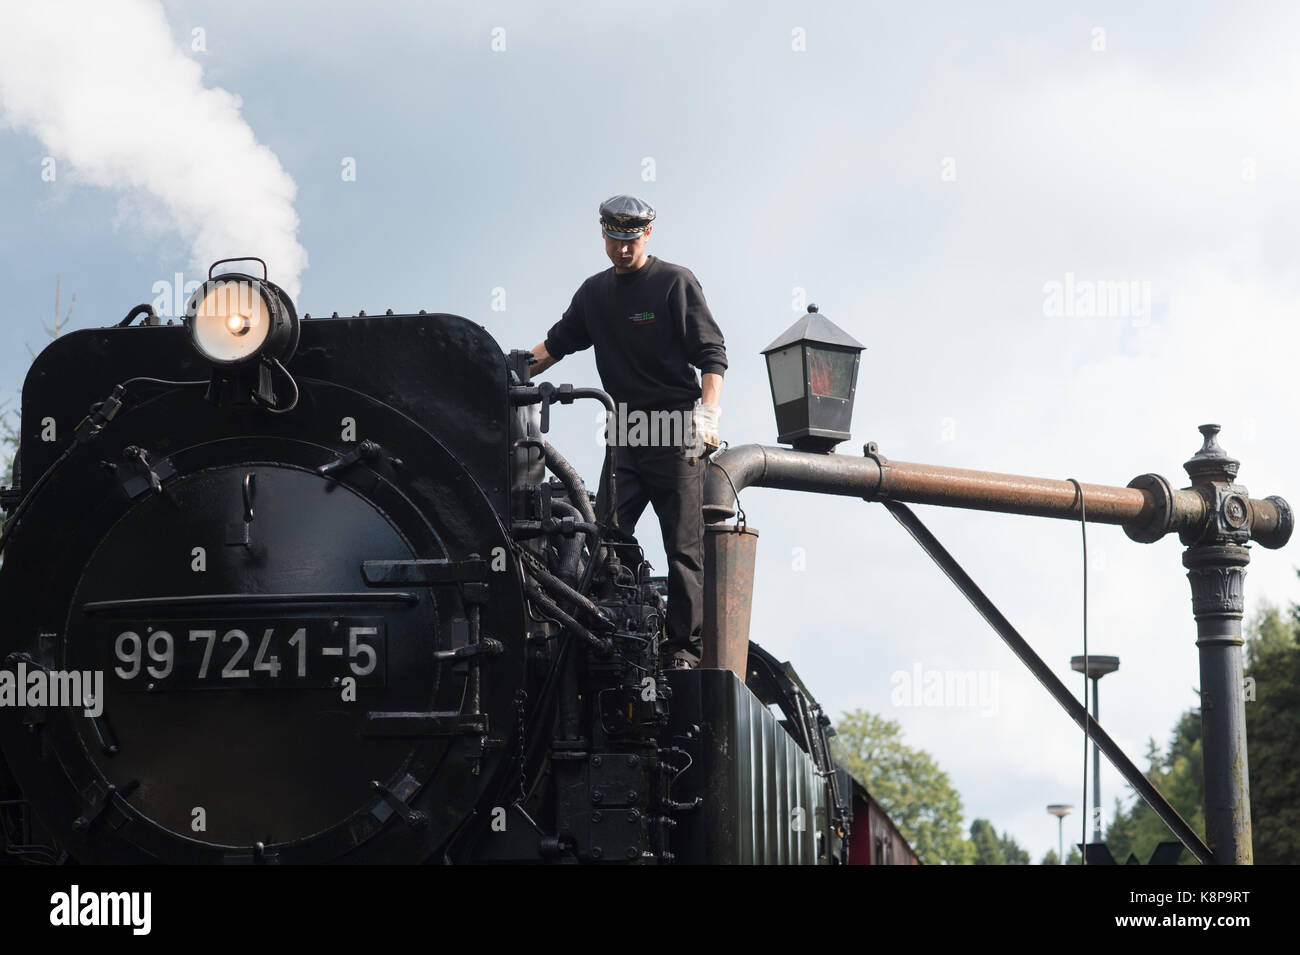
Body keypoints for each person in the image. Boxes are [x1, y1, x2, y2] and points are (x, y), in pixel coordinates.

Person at [528, 194, 726, 663]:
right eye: (615, 239)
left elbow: (711, 355)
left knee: (683, 546)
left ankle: (685, 651)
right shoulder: (594, 294)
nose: (623, 248)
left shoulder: (675, 283)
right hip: (627, 430)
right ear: (603, 235)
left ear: (648, 234)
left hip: (678, 428)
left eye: (632, 239)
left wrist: (709, 413)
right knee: (604, 535)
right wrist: (503, 373)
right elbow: (553, 347)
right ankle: (620, 625)